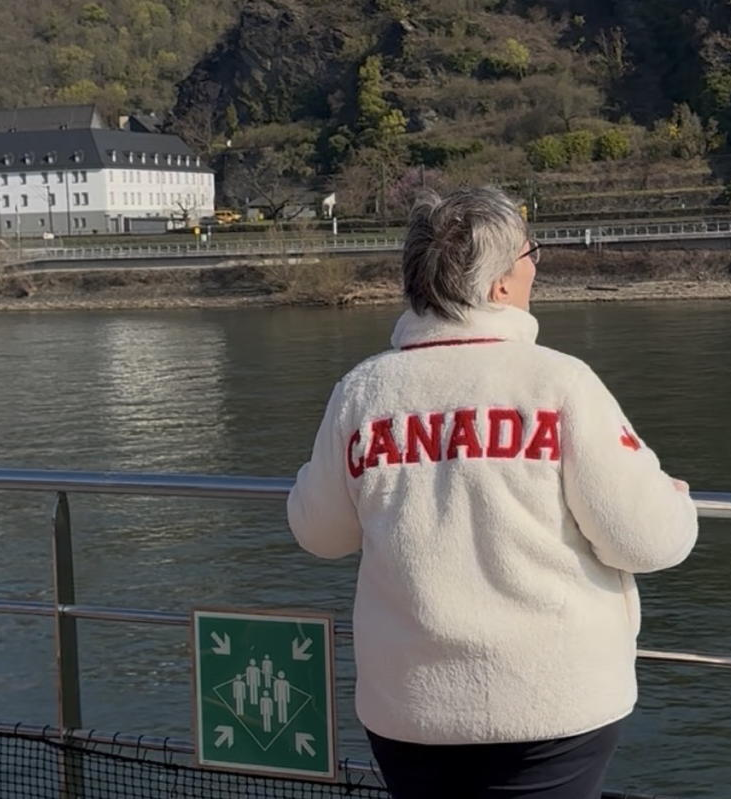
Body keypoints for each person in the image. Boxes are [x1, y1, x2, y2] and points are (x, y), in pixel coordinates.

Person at [287, 186, 698, 799]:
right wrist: (669, 494)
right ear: (501, 284)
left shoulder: (363, 393)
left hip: (410, 703)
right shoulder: (558, 382)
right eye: (532, 253)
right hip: (552, 699)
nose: (536, 266)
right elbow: (649, 540)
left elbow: (319, 532)